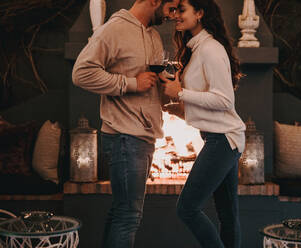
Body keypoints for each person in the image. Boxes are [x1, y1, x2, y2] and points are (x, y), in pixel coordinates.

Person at [72, 0, 179, 247]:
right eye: (170, 8)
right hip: (124, 137)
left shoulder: (152, 35)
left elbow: (149, 82)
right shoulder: (113, 29)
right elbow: (81, 73)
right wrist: (130, 83)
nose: (173, 16)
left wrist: (167, 82)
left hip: (142, 136)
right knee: (129, 216)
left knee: (122, 212)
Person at [159, 0, 246, 247]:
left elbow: (224, 100)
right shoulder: (197, 48)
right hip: (221, 137)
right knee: (228, 216)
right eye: (174, 10)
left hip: (223, 140)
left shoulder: (210, 49)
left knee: (187, 208)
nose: (176, 15)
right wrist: (176, 109)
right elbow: (208, 106)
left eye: (182, 10)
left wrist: (180, 93)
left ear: (199, 13)